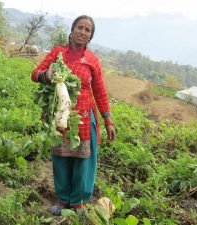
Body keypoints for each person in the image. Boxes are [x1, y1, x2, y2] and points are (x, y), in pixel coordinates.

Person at [31, 15, 116, 215]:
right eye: (80, 27)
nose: (83, 32)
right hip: (60, 117)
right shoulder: (58, 53)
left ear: (90, 37)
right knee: (61, 159)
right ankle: (62, 200)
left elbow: (100, 92)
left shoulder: (93, 61)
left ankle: (78, 202)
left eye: (88, 30)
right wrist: (46, 75)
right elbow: (35, 74)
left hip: (84, 119)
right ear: (72, 30)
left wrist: (108, 121)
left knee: (82, 161)